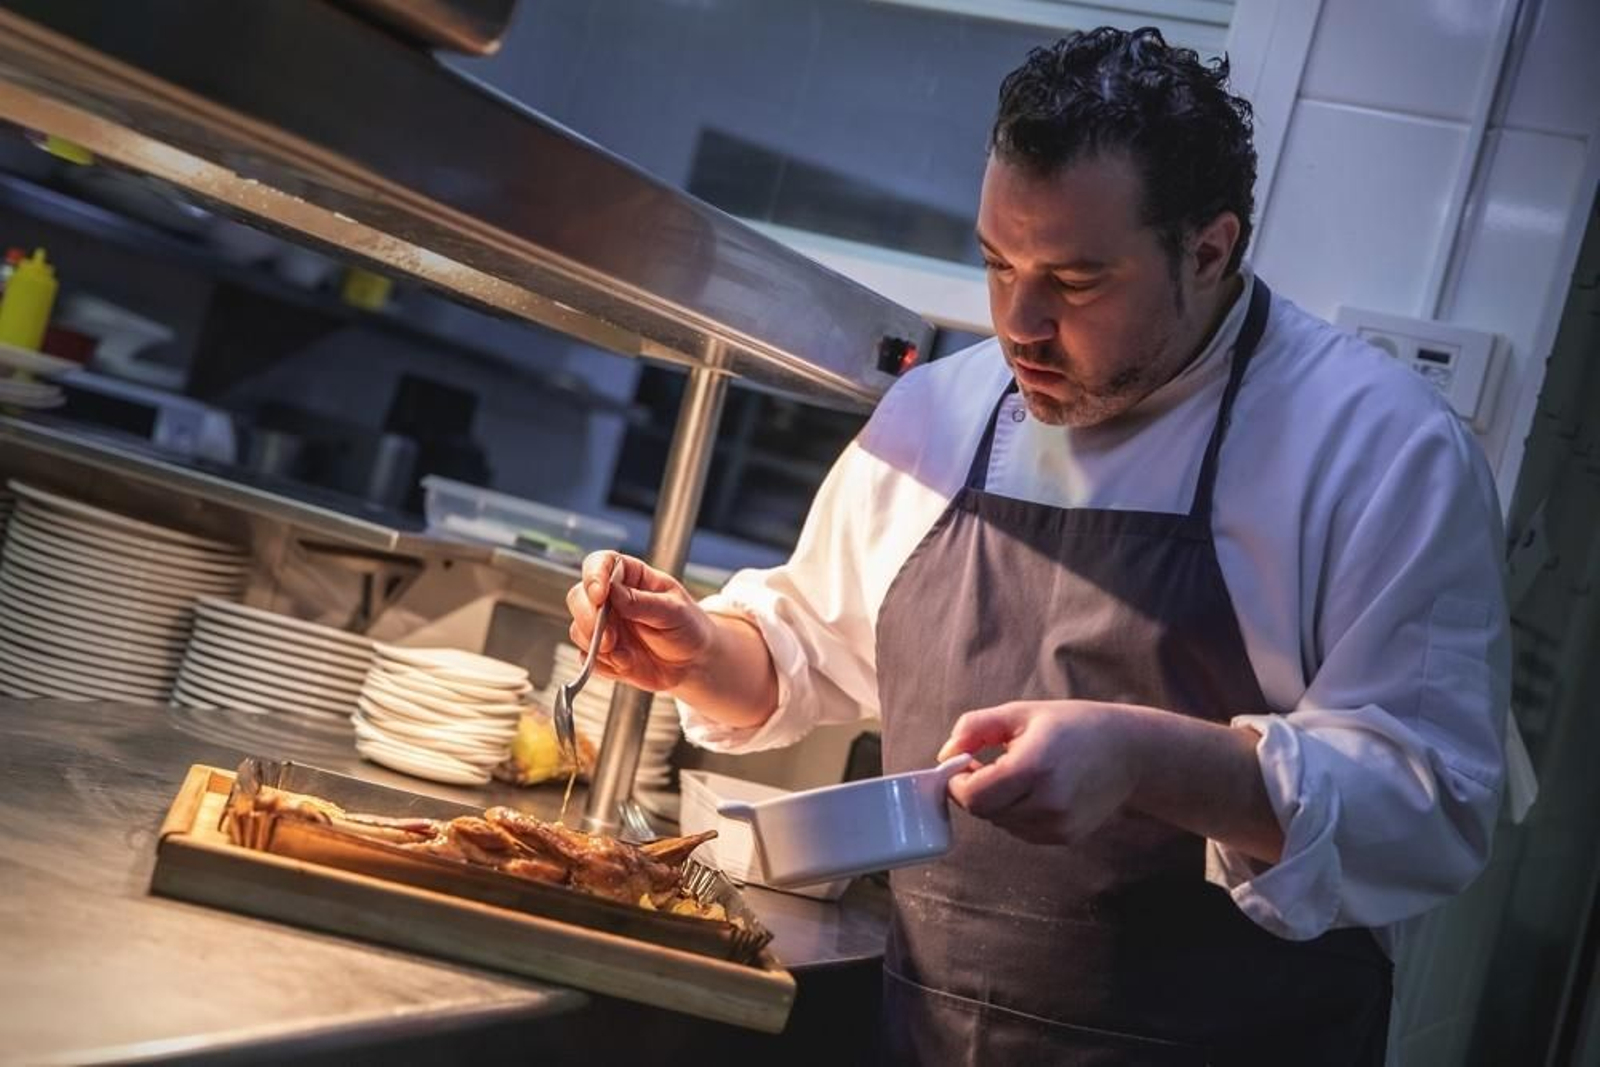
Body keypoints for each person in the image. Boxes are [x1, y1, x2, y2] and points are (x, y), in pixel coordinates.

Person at [567, 26, 1509, 1065]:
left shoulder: (1378, 447)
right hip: (932, 1031)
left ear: (1207, 248)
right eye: (996, 261)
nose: (1017, 322)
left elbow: (1429, 802)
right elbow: (805, 647)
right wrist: (701, 647)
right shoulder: (941, 411)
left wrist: (1149, 757)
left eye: (1074, 281)